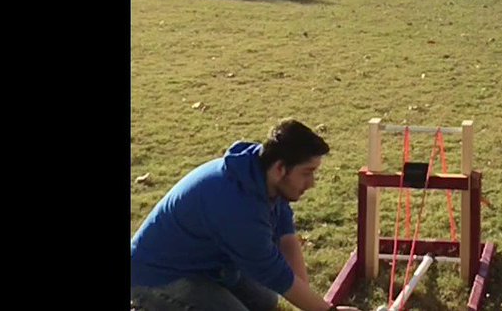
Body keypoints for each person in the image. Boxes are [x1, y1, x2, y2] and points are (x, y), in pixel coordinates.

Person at [131, 119, 361, 311]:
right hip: (156, 276)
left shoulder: (261, 175)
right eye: (307, 173)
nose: (312, 183)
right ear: (281, 169)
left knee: (265, 301)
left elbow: (286, 238)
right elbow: (275, 273)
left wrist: (313, 304)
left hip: (207, 266)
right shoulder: (237, 207)